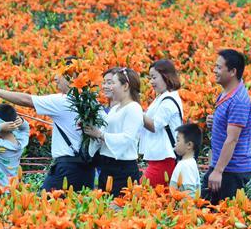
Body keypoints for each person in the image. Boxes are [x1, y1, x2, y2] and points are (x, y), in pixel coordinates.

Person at [0, 59, 94, 193]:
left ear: (71, 77)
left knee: (45, 204)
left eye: (59, 74)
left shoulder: (63, 100)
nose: (55, 78)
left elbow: (26, 100)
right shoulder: (91, 101)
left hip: (67, 167)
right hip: (88, 168)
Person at [202, 49, 251, 205]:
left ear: (232, 71)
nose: (214, 70)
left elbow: (232, 139)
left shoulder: (238, 100)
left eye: (219, 67)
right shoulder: (225, 93)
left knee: (220, 218)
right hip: (223, 167)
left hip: (231, 170)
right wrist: (215, 121)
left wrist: (218, 171)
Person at [83, 68, 143, 197]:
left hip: (122, 169)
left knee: (119, 209)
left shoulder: (134, 108)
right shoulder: (116, 108)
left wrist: (100, 134)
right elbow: (104, 132)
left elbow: (127, 138)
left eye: (113, 83)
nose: (109, 87)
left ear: (125, 86)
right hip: (107, 165)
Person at [141, 59, 183, 187]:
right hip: (158, 159)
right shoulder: (162, 97)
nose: (151, 82)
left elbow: (154, 125)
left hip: (164, 160)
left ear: (166, 76)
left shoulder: (168, 100)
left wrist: (135, 110)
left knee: (142, 194)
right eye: (150, 78)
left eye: (154, 77)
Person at [169, 123, 202, 197]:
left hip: (184, 208)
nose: (175, 144)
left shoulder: (186, 165)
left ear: (189, 145)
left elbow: (190, 194)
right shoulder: (188, 163)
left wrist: (186, 208)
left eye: (178, 140)